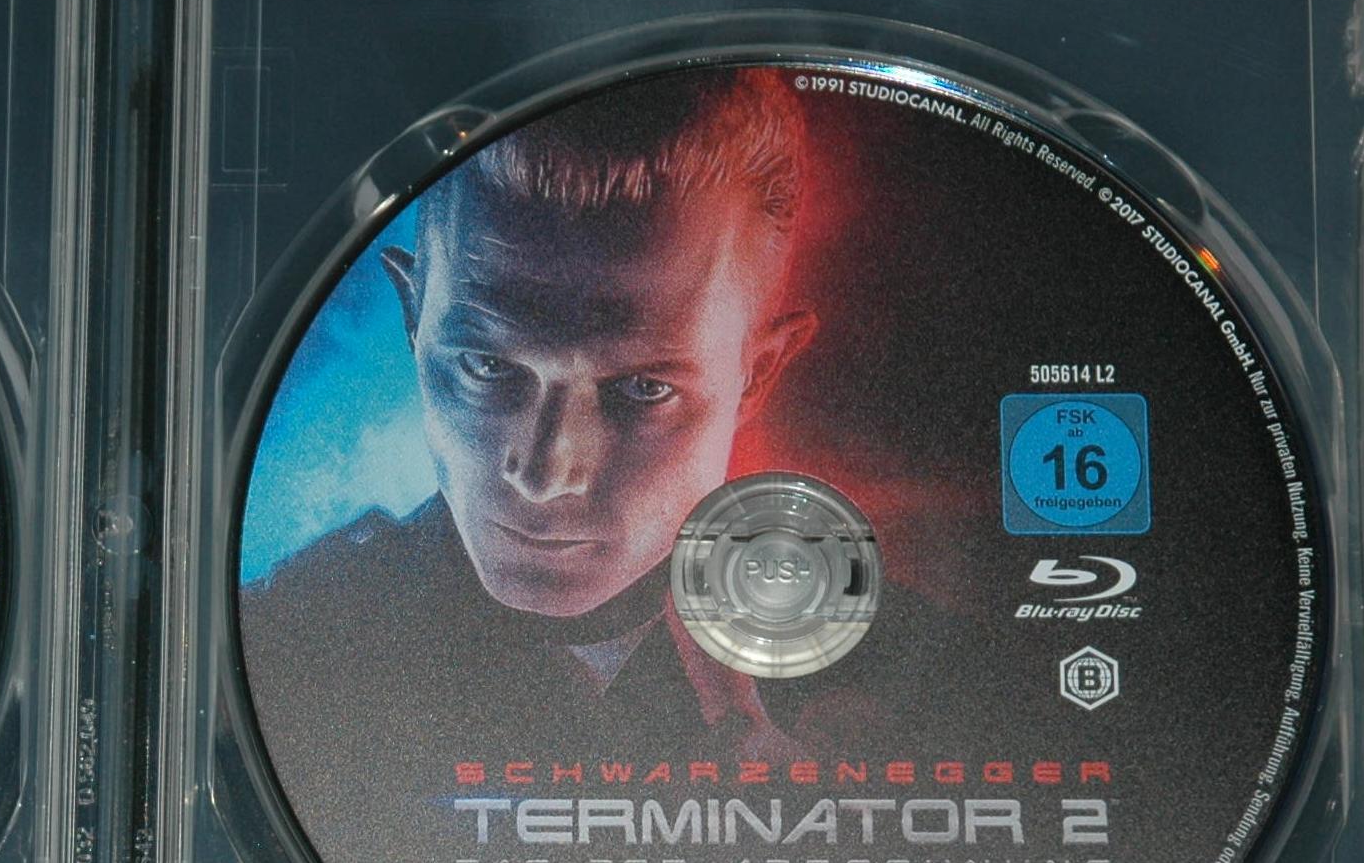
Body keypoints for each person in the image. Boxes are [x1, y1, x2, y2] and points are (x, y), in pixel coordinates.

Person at [242, 70, 952, 768]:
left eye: (642, 388)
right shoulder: (287, 643)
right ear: (412, 318)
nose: (545, 472)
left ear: (757, 373)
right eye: (486, 366)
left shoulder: (926, 681)